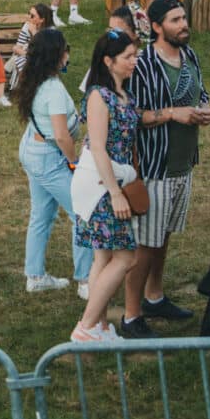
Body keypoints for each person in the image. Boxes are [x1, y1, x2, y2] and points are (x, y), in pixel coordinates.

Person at [119, 0, 210, 339]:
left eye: (184, 17)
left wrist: (203, 108)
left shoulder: (190, 56)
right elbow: (132, 116)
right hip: (154, 167)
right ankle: (130, 316)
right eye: (175, 20)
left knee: (163, 237)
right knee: (144, 244)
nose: (183, 24)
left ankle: (154, 296)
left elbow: (199, 93)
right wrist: (173, 113)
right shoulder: (142, 64)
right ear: (157, 27)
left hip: (183, 164)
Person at [70, 27, 142, 345]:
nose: (134, 61)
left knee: (102, 257)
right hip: (102, 186)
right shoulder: (99, 95)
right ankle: (86, 326)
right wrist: (114, 193)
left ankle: (97, 327)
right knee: (126, 257)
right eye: (128, 57)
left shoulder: (124, 94)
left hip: (113, 181)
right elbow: (97, 146)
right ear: (109, 61)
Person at [13, 27, 93, 297]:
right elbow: (60, 135)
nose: (69, 54)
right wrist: (75, 162)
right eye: (65, 49)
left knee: (42, 214)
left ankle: (35, 276)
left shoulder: (35, 80)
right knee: (82, 213)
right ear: (57, 55)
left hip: (33, 151)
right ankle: (85, 280)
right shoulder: (54, 90)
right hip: (48, 158)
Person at [9, 3, 54, 79]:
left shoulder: (51, 31)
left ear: (42, 19)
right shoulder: (27, 26)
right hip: (28, 58)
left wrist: (34, 32)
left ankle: (28, 87)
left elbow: (45, 51)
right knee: (22, 61)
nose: (29, 17)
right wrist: (28, 55)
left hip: (45, 61)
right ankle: (26, 87)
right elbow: (17, 47)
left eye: (32, 16)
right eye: (29, 14)